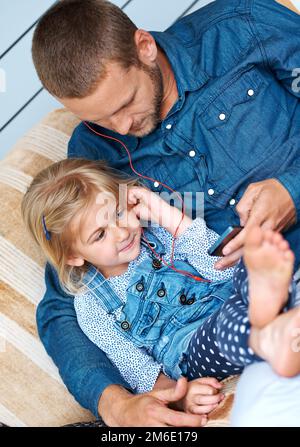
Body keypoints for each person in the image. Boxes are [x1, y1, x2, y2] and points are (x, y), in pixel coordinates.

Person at [31, 0, 300, 426]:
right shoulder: (93, 156)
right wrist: (116, 405)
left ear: (144, 48)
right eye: (100, 120)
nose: (120, 128)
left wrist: (293, 188)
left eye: (125, 104)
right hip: (231, 313)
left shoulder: (239, 26)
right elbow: (63, 304)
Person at [22, 158, 300, 421]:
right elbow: (135, 367)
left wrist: (167, 215)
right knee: (224, 328)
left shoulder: (159, 233)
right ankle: (265, 332)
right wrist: (178, 395)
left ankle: (273, 309)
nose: (121, 232)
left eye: (118, 213)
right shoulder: (91, 304)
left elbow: (222, 269)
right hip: (194, 346)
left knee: (249, 268)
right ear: (73, 256)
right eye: (100, 235)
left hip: (230, 296)